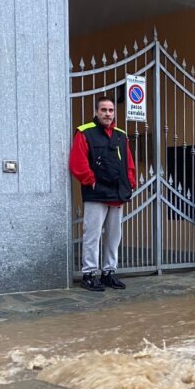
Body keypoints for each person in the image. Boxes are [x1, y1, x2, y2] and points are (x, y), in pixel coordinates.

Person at [69, 96, 136, 291]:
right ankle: (89, 274)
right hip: (96, 193)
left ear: (114, 113)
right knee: (93, 235)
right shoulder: (85, 132)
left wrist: (129, 183)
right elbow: (77, 163)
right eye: (104, 110)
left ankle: (109, 273)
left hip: (117, 194)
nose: (107, 114)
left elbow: (128, 163)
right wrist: (92, 181)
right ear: (97, 112)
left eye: (111, 110)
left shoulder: (121, 135)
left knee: (114, 236)